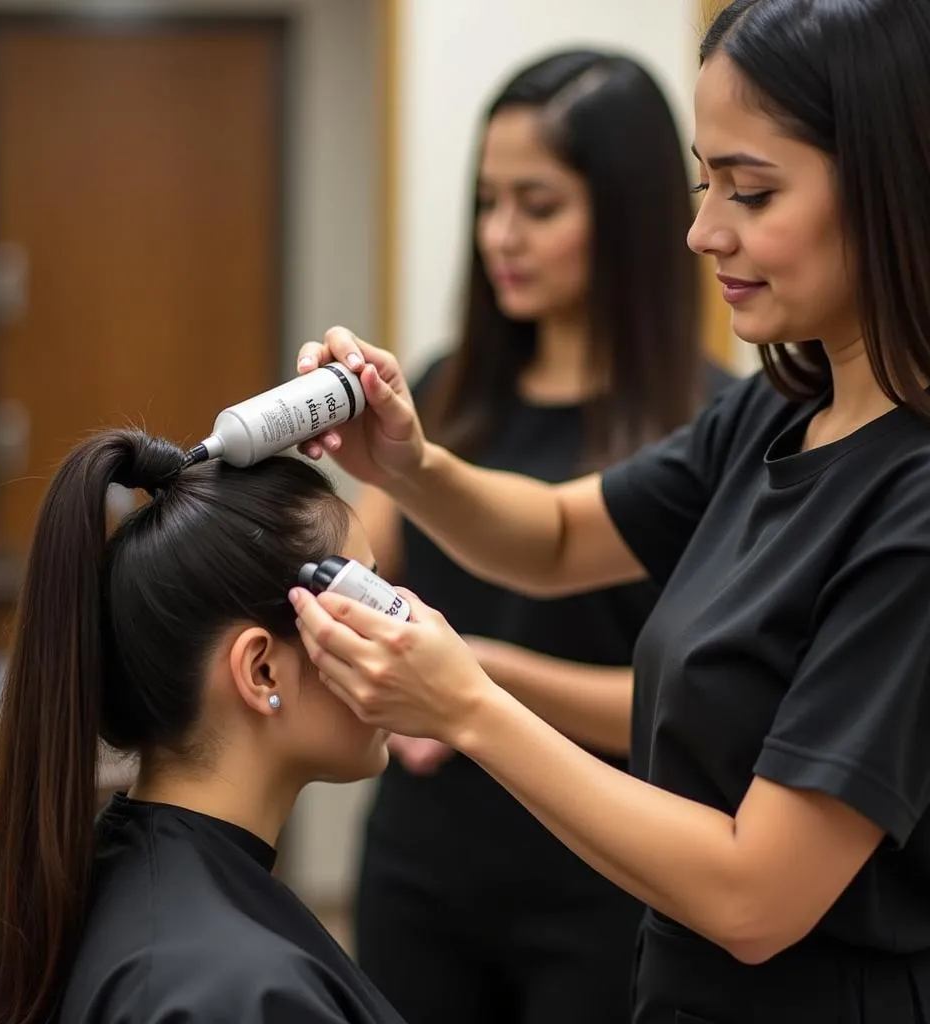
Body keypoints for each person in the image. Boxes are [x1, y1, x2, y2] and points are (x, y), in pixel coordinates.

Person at [291, 0, 930, 1019]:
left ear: (893, 187)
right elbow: (554, 538)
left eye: (751, 191)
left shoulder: (909, 506)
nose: (702, 230)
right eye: (702, 181)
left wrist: (469, 700)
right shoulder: (777, 411)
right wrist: (408, 462)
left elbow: (755, 891)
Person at [352, 49, 733, 1024]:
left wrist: (477, 679)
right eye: (486, 202)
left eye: (538, 205)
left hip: (598, 871)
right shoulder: (443, 393)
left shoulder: (711, 430)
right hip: (424, 855)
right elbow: (362, 561)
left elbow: (695, 697)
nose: (499, 237)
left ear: (631, 216)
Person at [0, 431, 406, 1024]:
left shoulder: (115, 877)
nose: (403, 637)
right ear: (262, 669)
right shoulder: (235, 992)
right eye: (372, 603)